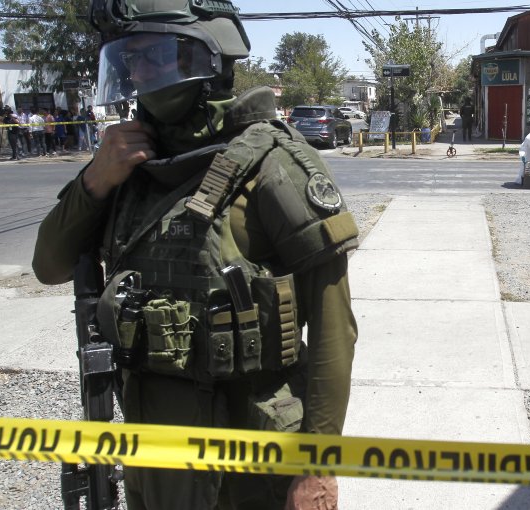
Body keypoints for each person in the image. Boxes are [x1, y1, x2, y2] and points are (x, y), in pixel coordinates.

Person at [32, 1, 358, 509]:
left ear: (202, 60)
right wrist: (95, 180)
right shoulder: (127, 167)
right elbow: (49, 265)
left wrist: (318, 469)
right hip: (155, 456)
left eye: (150, 56)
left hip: (250, 464)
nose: (135, 73)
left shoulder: (273, 165)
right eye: (127, 60)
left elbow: (335, 326)